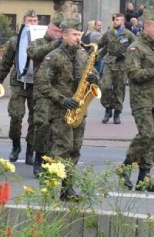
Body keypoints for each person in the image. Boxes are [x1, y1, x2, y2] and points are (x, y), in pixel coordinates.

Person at [34, 19, 99, 201]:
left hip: (78, 109)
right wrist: (62, 100)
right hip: (59, 110)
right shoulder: (53, 56)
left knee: (75, 149)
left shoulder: (83, 54)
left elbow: (93, 75)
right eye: (74, 35)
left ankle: (67, 189)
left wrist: (95, 78)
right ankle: (49, 186)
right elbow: (42, 83)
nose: (78, 38)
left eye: (79, 34)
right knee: (62, 148)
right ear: (64, 35)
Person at [120, 11, 154, 192]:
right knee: (146, 134)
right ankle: (125, 166)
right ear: (146, 27)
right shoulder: (136, 48)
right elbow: (133, 74)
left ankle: (144, 178)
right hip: (142, 98)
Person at [0, 9, 40, 164]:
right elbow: (5, 64)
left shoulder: (42, 41)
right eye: (30, 20)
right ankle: (16, 146)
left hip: (36, 84)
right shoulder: (15, 41)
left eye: (35, 21)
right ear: (24, 22)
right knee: (16, 116)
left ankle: (30, 150)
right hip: (19, 82)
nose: (33, 23)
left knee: (35, 119)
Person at [26, 13, 64, 175]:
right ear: (48, 27)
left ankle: (52, 158)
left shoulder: (65, 45)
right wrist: (55, 43)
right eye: (54, 30)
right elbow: (35, 54)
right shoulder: (37, 42)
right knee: (42, 124)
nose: (56, 34)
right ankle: (38, 156)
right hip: (42, 91)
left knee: (58, 128)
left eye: (60, 32)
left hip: (61, 92)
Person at [95, 12, 137, 125]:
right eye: (114, 19)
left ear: (123, 22)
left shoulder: (128, 34)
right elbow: (100, 45)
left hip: (122, 64)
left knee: (119, 89)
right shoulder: (108, 33)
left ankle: (117, 112)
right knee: (105, 86)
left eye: (117, 20)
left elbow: (136, 46)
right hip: (109, 62)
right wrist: (94, 55)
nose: (115, 21)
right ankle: (108, 107)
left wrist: (124, 55)